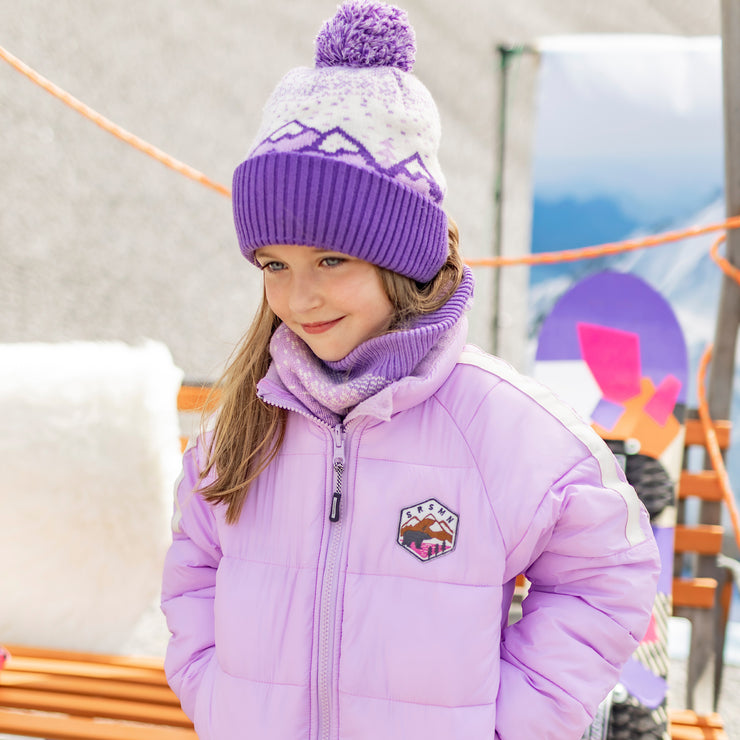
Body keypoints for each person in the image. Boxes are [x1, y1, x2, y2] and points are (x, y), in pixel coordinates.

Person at [160, 2, 661, 738]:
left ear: (401, 259)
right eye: (275, 265)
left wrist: (512, 721)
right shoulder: (251, 422)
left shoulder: (500, 427)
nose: (299, 296)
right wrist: (215, 694)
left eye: (332, 259)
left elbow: (606, 574)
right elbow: (195, 567)